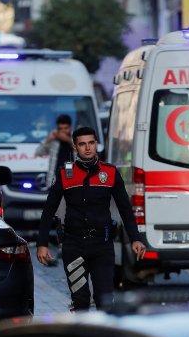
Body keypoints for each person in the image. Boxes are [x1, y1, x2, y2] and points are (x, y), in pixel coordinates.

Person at [36, 126, 146, 311]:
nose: (87, 148)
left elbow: (125, 208)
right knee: (80, 301)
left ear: (96, 144)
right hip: (74, 246)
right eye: (82, 144)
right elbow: (48, 210)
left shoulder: (109, 173)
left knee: (105, 301)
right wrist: (42, 243)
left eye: (91, 143)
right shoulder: (65, 174)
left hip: (102, 246)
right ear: (75, 147)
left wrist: (136, 238)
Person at [35, 114, 73, 187]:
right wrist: (47, 140)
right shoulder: (54, 140)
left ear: (70, 127)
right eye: (60, 128)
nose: (63, 131)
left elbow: (83, 153)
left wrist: (68, 140)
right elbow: (38, 153)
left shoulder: (76, 138)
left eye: (66, 128)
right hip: (55, 178)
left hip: (71, 176)